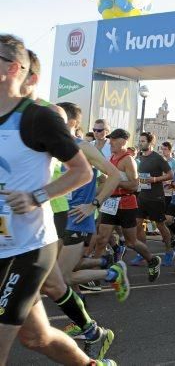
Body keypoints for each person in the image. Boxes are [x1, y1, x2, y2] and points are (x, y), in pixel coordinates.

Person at [0, 34, 115, 365]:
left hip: (29, 246)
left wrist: (37, 196)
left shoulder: (38, 116)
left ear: (14, 69)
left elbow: (82, 172)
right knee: (37, 338)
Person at [39, 102, 126, 360]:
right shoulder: (49, 148)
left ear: (73, 123)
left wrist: (94, 203)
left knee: (61, 278)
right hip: (54, 218)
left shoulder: (83, 147)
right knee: (51, 278)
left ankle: (110, 275)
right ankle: (86, 322)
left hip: (77, 217)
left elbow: (114, 176)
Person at [97, 129, 162, 282]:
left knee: (131, 242)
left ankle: (152, 260)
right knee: (101, 238)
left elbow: (134, 185)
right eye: (110, 139)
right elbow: (107, 183)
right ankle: (94, 277)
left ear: (124, 141)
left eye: (113, 139)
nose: (110, 142)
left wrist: (114, 180)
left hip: (126, 203)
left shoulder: (128, 160)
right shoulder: (112, 157)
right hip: (110, 202)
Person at [132, 132, 174, 266]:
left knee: (160, 225)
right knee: (137, 225)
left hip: (156, 197)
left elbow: (170, 175)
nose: (141, 143)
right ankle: (143, 253)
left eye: (143, 141)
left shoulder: (158, 158)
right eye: (140, 141)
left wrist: (155, 179)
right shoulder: (140, 157)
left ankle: (169, 251)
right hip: (142, 196)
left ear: (151, 143)